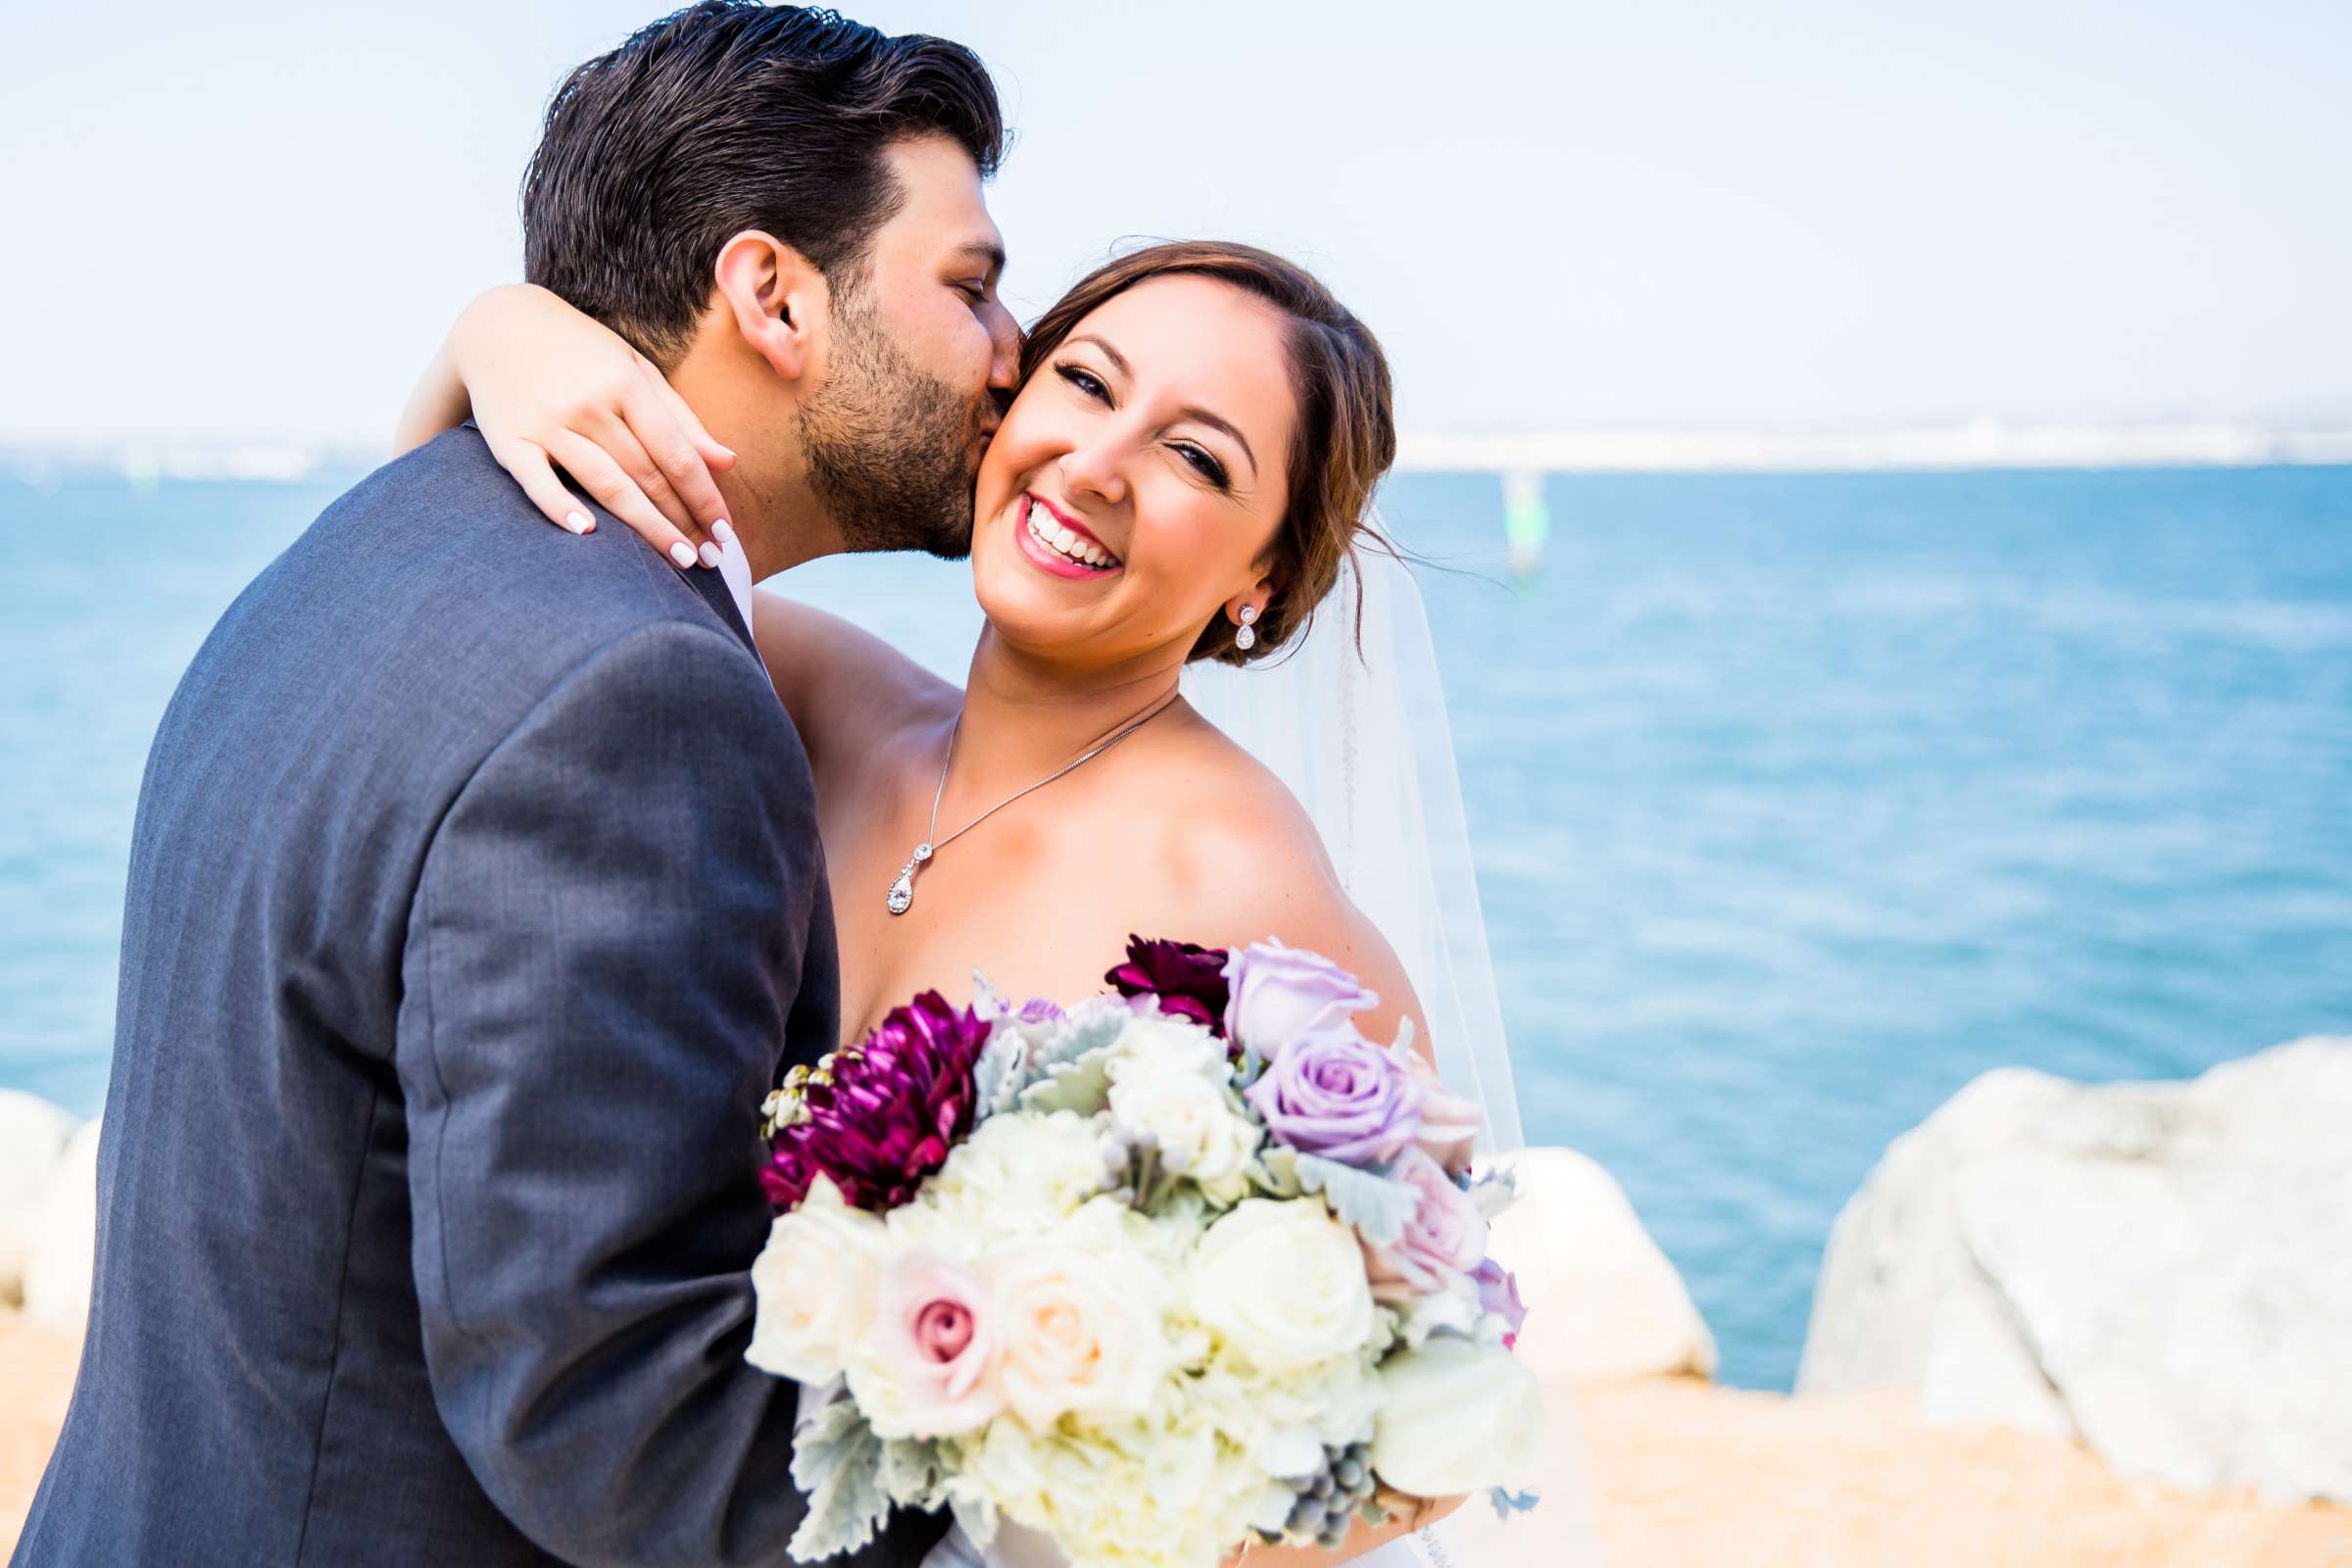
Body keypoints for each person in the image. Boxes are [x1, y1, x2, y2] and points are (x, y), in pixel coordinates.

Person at [13, 7, 1008, 1565]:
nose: (1011, 357)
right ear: (772, 295)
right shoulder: (641, 696)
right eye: (970, 288)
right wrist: (1047, 1489)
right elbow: (611, 1412)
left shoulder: (383, 538)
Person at [407, 245, 1498, 1568]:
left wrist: (1081, 1521)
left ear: (1264, 578)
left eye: (1197, 459)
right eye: (1085, 384)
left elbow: (1440, 1422)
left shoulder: (1239, 880)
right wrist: (499, 334)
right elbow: (472, 576)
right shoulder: (808, 702)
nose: (1096, 465)